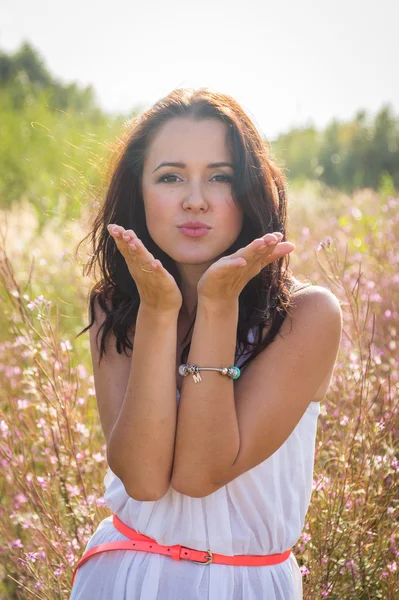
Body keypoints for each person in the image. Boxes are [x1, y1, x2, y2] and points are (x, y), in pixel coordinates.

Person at [70, 87, 342, 600]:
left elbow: (199, 472)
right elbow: (144, 480)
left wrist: (218, 307)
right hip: (119, 580)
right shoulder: (117, 307)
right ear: (139, 191)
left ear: (250, 191)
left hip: (243, 584)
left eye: (220, 177)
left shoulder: (305, 316)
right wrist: (158, 310)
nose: (195, 199)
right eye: (170, 176)